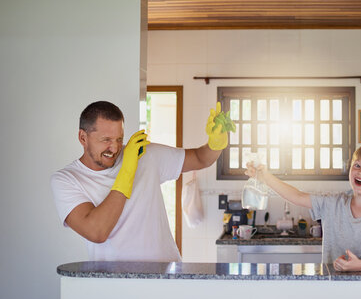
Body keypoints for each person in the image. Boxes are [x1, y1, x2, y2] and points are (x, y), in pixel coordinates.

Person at [51, 100, 229, 262]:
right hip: (116, 284)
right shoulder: (67, 180)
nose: (114, 148)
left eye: (119, 139)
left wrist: (215, 144)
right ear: (83, 138)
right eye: (105, 140)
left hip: (166, 275)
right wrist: (127, 170)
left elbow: (200, 158)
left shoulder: (144, 155)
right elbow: (97, 232)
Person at [245, 143, 361, 271]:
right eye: (357, 165)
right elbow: (297, 197)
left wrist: (359, 265)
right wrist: (265, 176)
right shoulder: (332, 204)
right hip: (331, 286)